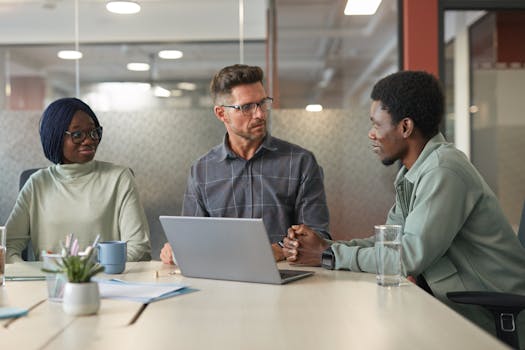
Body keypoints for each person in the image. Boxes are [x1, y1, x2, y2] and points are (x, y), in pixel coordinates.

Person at [283, 70, 525, 341]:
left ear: (405, 127)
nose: (371, 134)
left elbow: (407, 257)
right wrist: (327, 249)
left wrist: (328, 256)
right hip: (459, 307)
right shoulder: (414, 174)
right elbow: (389, 243)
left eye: (376, 124)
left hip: (492, 315)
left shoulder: (443, 171)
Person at [160, 64, 330, 264]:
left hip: (287, 282)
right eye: (247, 107)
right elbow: (192, 236)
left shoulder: (300, 162)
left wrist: (279, 249)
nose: (260, 114)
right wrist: (177, 247)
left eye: (262, 103)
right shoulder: (202, 171)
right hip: (224, 282)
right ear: (221, 114)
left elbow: (318, 237)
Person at [6, 97, 151, 262]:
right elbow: (8, 246)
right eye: (77, 134)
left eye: (93, 132)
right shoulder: (37, 184)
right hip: (49, 284)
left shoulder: (119, 178)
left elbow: (139, 248)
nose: (89, 140)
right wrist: (30, 275)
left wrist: (90, 274)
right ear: (56, 137)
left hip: (107, 284)